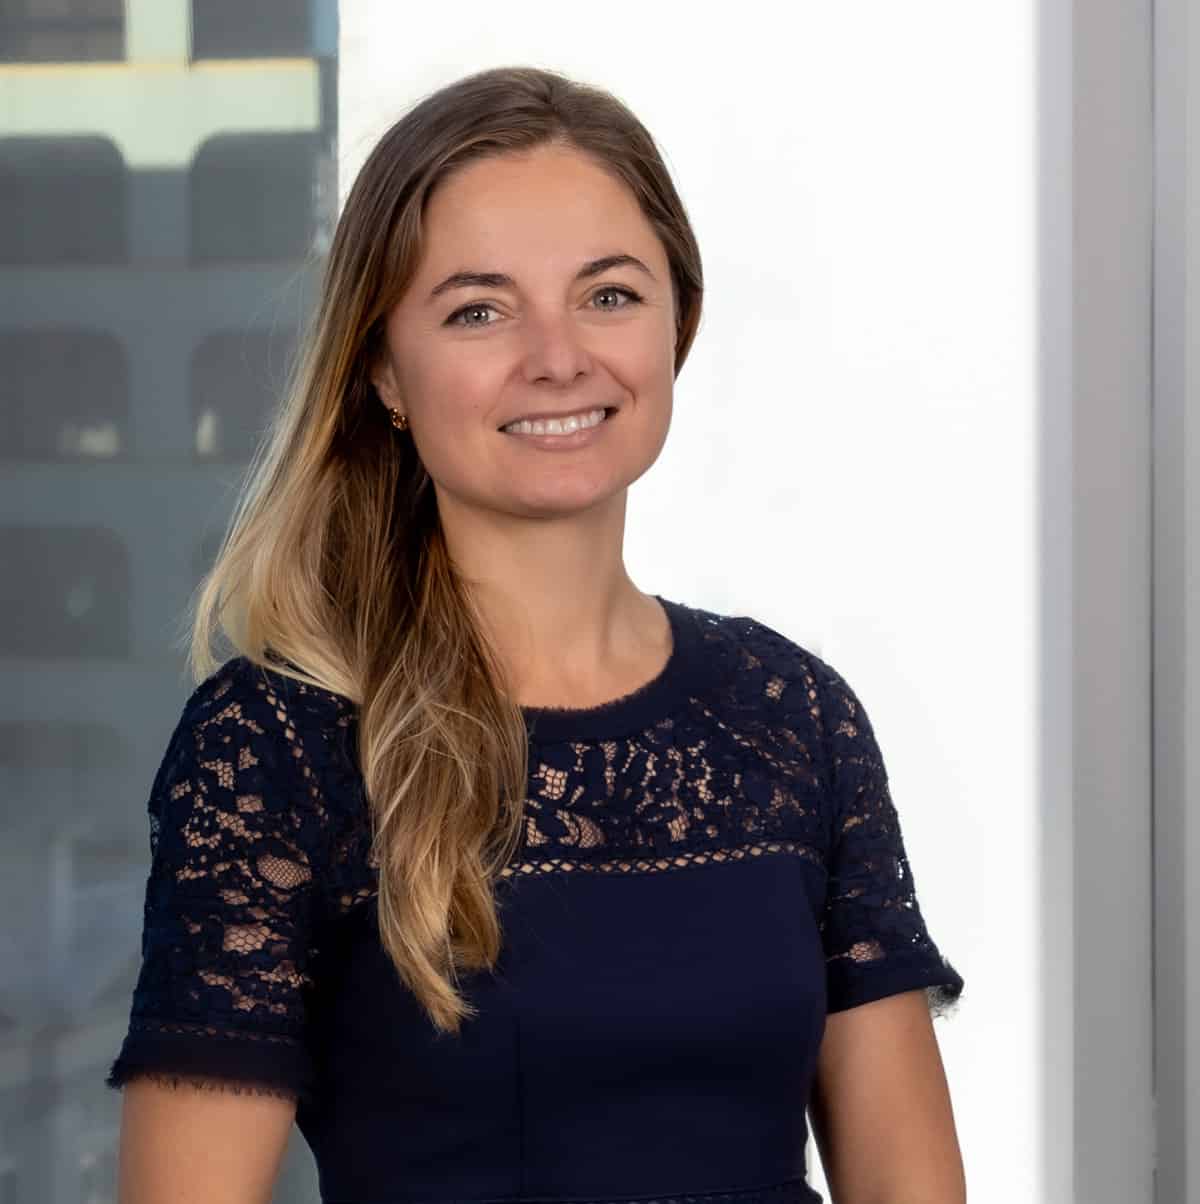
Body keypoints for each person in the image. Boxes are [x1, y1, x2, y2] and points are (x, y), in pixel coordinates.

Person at [105, 64, 967, 1204]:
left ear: (679, 323)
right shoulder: (273, 743)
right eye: (479, 309)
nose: (558, 356)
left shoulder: (793, 714)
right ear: (382, 371)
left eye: (609, 294)